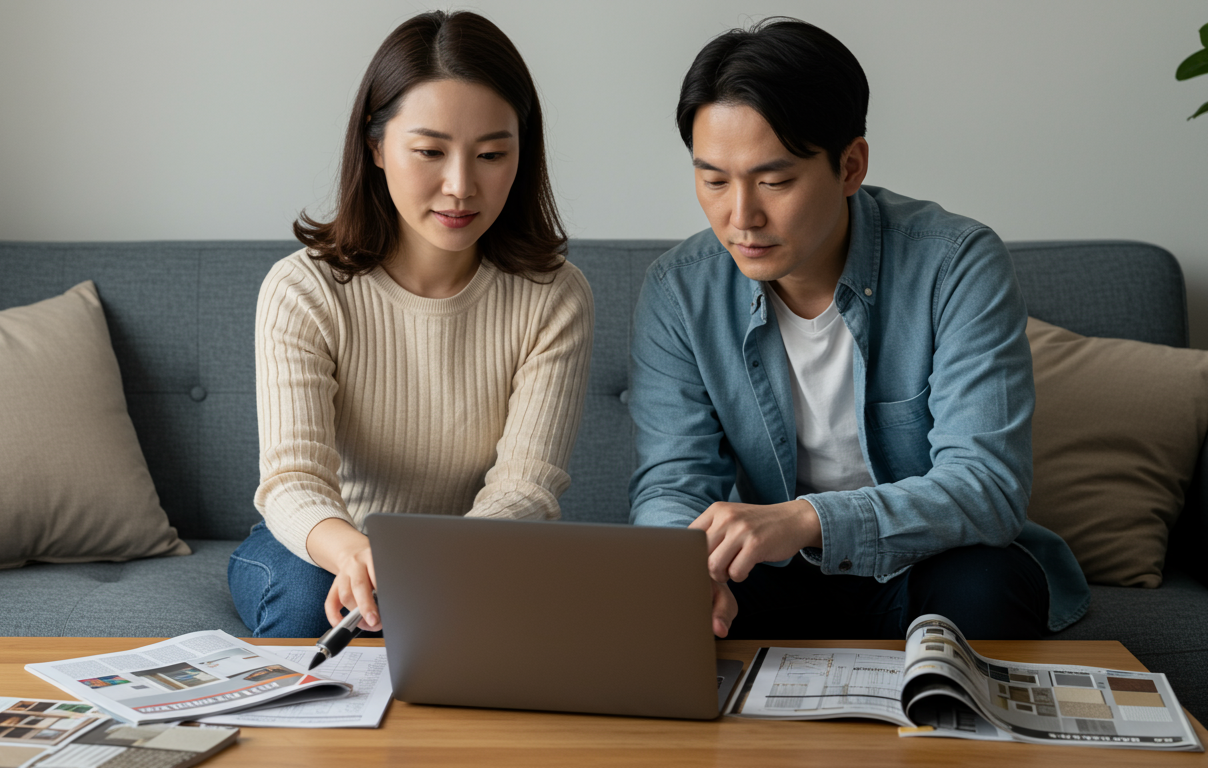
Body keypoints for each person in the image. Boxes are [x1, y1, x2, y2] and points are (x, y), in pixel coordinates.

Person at [629, 18, 1089, 640]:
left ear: (850, 166)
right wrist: (684, 569)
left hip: (923, 569)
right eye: (713, 180)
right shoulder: (680, 290)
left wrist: (803, 519)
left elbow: (987, 487)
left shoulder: (955, 264)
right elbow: (672, 482)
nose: (740, 216)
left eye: (774, 180)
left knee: (988, 585)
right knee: (671, 601)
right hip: (770, 574)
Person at [229, 10, 593, 638]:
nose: (460, 186)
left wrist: (431, 566)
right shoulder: (304, 289)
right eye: (429, 151)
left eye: (491, 154)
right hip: (326, 542)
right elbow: (293, 480)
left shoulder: (553, 296)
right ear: (375, 147)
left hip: (481, 547)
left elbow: (527, 486)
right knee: (313, 600)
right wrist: (355, 554)